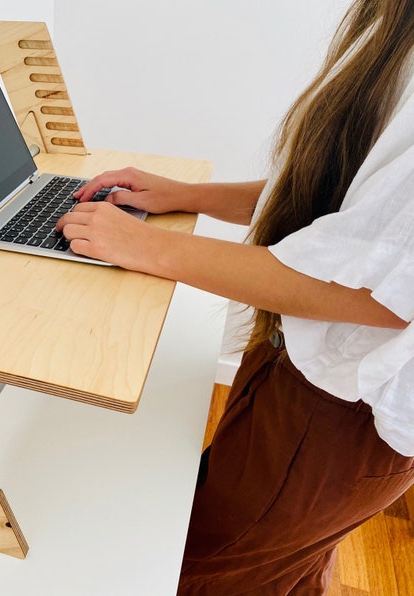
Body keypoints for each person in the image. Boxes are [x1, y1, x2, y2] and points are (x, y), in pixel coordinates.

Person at [56, 1, 414, 593]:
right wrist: (185, 195)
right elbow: (350, 212)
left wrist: (148, 247)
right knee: (272, 565)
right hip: (306, 370)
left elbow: (381, 292)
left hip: (342, 409)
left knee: (205, 566)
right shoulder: (393, 28)